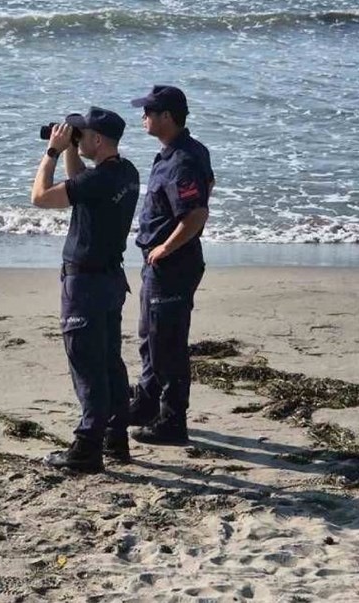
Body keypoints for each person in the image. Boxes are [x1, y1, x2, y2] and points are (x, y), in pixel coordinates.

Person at [30, 106, 140, 473]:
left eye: (83, 135)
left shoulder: (98, 182)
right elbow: (82, 187)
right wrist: (73, 150)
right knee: (109, 360)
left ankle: (87, 449)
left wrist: (52, 152)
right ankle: (115, 438)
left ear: (97, 139)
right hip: (110, 279)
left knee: (86, 364)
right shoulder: (125, 174)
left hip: (86, 282)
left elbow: (41, 197)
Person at [128, 85, 213, 446]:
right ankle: (147, 405)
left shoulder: (183, 159)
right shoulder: (173, 153)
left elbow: (196, 213)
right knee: (150, 338)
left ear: (167, 116)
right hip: (160, 263)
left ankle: (172, 421)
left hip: (173, 264)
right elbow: (208, 185)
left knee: (168, 345)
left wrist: (165, 246)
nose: (143, 116)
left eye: (149, 111)